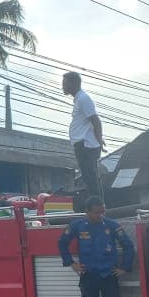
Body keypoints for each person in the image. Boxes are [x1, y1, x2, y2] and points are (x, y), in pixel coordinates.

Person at [57, 196, 135, 297]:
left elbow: (128, 246)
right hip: (89, 276)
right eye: (97, 212)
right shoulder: (77, 226)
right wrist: (71, 263)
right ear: (87, 212)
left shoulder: (112, 225)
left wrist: (125, 267)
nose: (100, 215)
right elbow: (62, 243)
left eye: (102, 212)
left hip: (109, 276)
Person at [62, 71, 105, 201]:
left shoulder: (83, 99)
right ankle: (97, 204)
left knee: (90, 177)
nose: (63, 86)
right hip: (83, 143)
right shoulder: (78, 99)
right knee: (89, 177)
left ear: (73, 83)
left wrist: (98, 140)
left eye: (65, 83)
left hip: (86, 144)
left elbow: (96, 120)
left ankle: (97, 205)